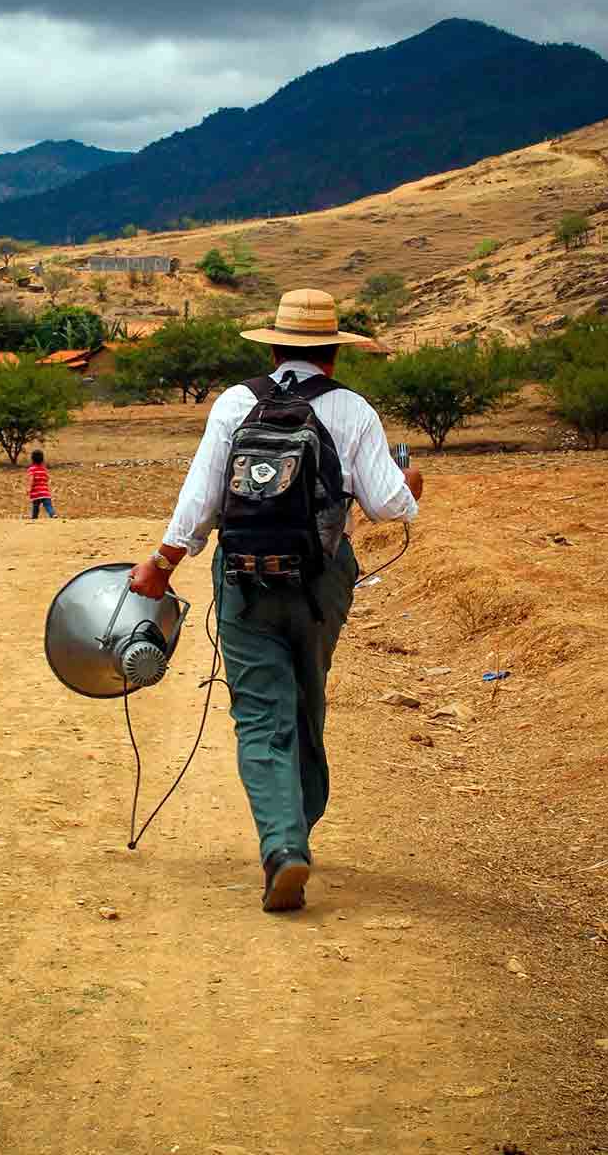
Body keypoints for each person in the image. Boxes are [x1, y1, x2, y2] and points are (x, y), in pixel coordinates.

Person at [129, 288, 424, 915]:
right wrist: (410, 487)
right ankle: (301, 824)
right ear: (333, 357)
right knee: (306, 696)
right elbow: (389, 505)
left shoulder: (236, 403)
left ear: (271, 346)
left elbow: (201, 498)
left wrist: (162, 563)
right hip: (321, 582)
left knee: (260, 714)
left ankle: (283, 844)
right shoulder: (352, 410)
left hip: (242, 577)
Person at [27, 449, 56, 519]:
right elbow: (47, 478)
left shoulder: (31, 469)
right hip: (45, 492)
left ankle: (34, 517)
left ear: (32, 459)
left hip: (36, 493)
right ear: (42, 459)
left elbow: (31, 480)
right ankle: (52, 514)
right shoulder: (44, 469)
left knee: (35, 506)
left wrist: (29, 489)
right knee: (48, 505)